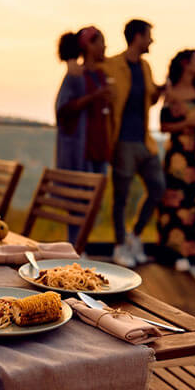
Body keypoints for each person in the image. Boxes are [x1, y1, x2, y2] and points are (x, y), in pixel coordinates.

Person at [102, 19, 166, 268]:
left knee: (158, 188)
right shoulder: (112, 65)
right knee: (122, 196)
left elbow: (147, 101)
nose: (152, 41)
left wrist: (158, 92)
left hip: (144, 141)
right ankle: (119, 245)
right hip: (123, 142)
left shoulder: (146, 67)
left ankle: (135, 236)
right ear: (137, 37)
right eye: (149, 36)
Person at [157, 50, 195, 272]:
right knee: (178, 201)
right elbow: (163, 126)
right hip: (179, 155)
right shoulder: (171, 91)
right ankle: (176, 253)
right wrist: (186, 124)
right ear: (185, 64)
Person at [54, 27, 112, 243]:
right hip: (81, 149)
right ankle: (76, 250)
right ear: (89, 45)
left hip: (99, 146)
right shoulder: (75, 76)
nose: (105, 47)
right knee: (78, 205)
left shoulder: (101, 74)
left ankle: (80, 248)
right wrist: (93, 97)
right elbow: (62, 109)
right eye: (102, 42)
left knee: (93, 207)